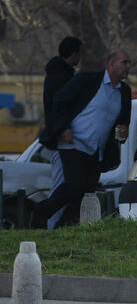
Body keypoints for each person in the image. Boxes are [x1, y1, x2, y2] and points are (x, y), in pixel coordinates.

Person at [31, 50, 132, 228]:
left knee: (85, 194)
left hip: (96, 150)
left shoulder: (124, 92)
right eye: (124, 62)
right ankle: (42, 212)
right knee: (75, 186)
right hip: (73, 143)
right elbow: (60, 100)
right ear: (110, 64)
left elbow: (123, 122)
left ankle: (62, 229)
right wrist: (64, 128)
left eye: (129, 63)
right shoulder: (87, 80)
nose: (128, 67)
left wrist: (123, 131)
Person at [41, 36, 82, 229]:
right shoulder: (63, 78)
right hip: (61, 138)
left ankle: (55, 223)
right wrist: (64, 129)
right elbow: (61, 107)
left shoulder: (54, 75)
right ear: (74, 54)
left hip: (57, 137)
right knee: (60, 183)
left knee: (61, 181)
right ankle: (52, 223)